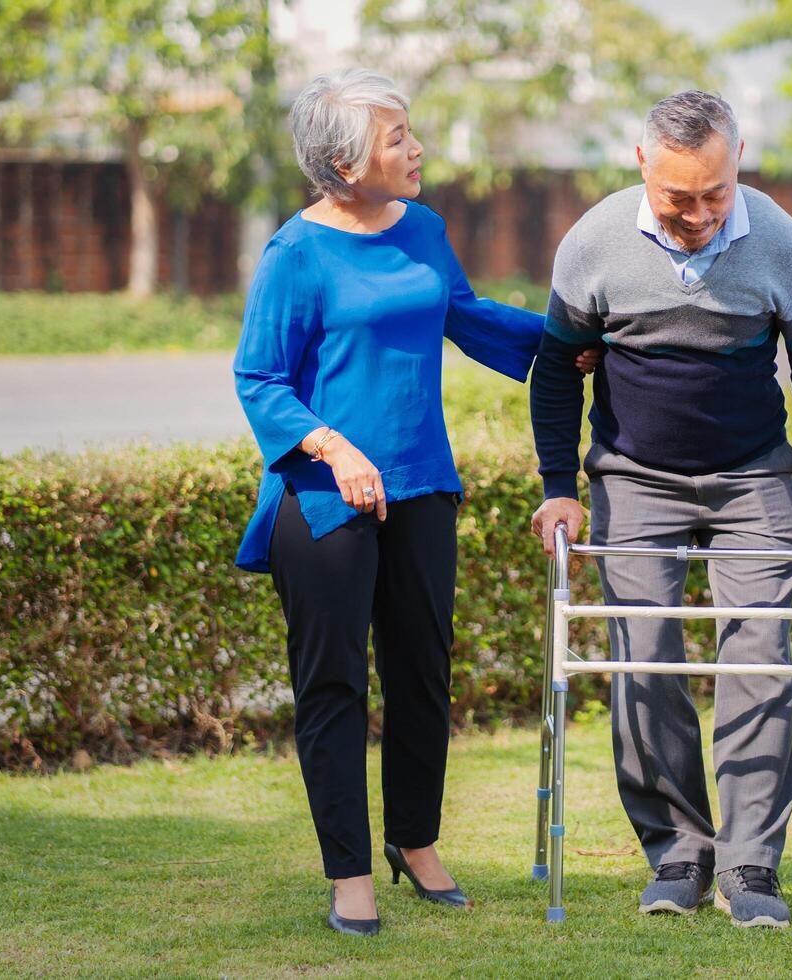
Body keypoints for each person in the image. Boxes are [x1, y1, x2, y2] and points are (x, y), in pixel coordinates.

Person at [233, 67, 594, 936]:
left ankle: (416, 841)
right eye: (396, 138)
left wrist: (570, 342)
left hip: (424, 484)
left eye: (408, 132)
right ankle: (348, 872)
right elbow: (259, 378)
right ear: (344, 161)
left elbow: (463, 315)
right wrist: (331, 444)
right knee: (333, 687)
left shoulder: (423, 230)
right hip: (323, 500)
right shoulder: (295, 253)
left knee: (423, 675)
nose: (416, 148)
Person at [528, 90, 792, 929]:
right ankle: (679, 852)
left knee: (759, 659)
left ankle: (750, 865)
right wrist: (558, 485)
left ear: (737, 160)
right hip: (635, 475)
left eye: (716, 192)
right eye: (681, 197)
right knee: (644, 651)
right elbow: (558, 370)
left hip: (753, 477)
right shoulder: (594, 243)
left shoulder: (780, 241)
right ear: (643, 166)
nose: (701, 213)